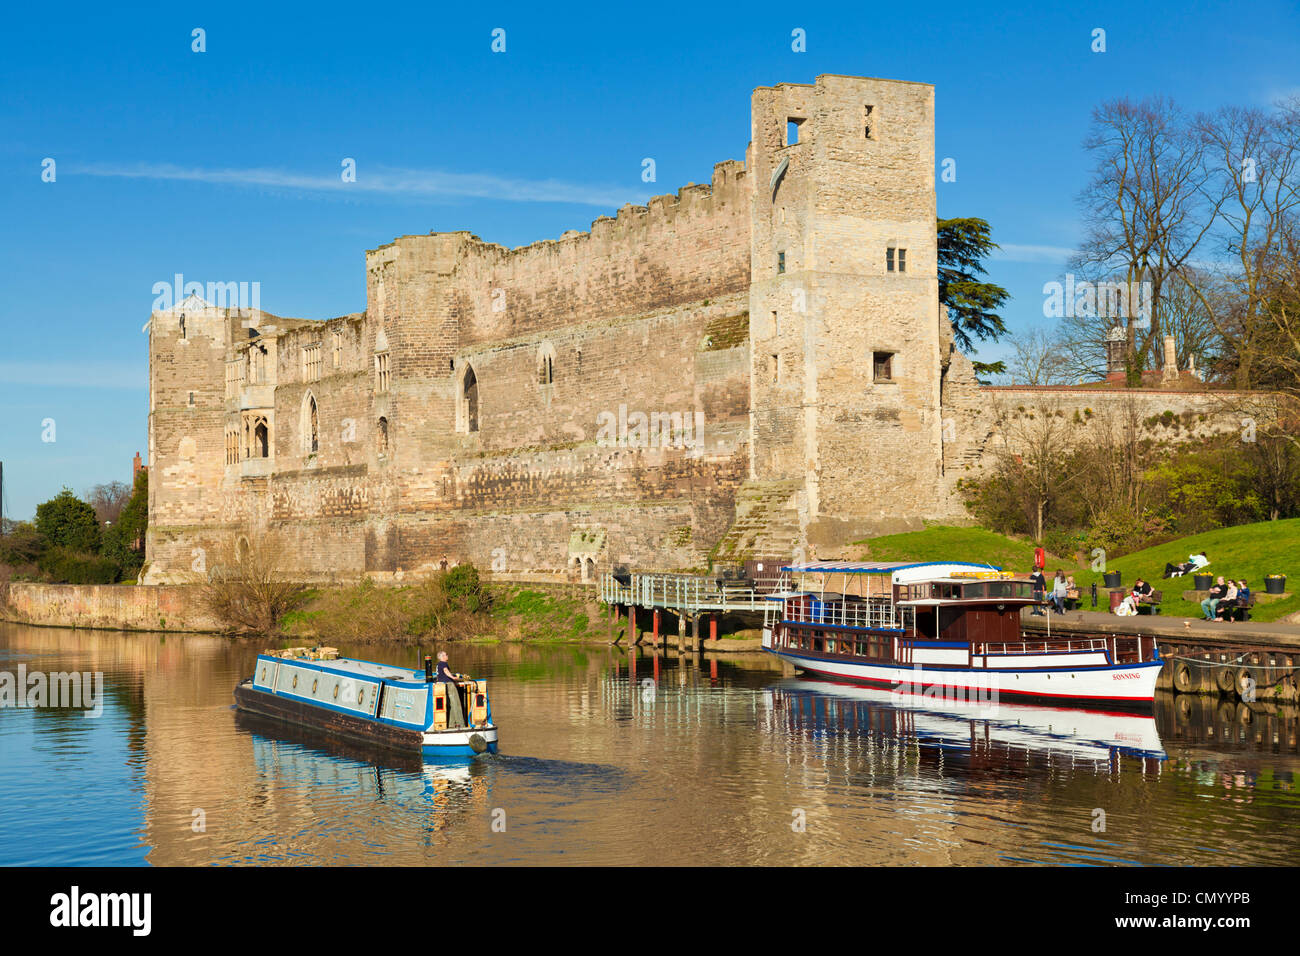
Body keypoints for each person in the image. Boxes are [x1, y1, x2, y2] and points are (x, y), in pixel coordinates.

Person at [435, 650, 467, 728]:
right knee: (456, 703)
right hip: (449, 684)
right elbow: (445, 671)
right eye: (446, 654)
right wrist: (453, 677)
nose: (447, 656)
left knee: (450, 704)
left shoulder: (438, 664)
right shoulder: (443, 663)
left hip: (442, 685)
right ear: (442, 657)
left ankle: (451, 724)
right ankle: (461, 723)